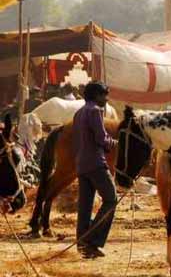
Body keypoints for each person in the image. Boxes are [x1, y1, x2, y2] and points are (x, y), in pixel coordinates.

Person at [73, 82, 118, 259]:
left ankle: (82, 243)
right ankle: (93, 240)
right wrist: (115, 143)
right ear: (96, 95)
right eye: (104, 95)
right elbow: (101, 138)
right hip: (96, 163)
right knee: (111, 199)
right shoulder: (95, 111)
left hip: (81, 164)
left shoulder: (79, 113)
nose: (106, 99)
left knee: (85, 205)